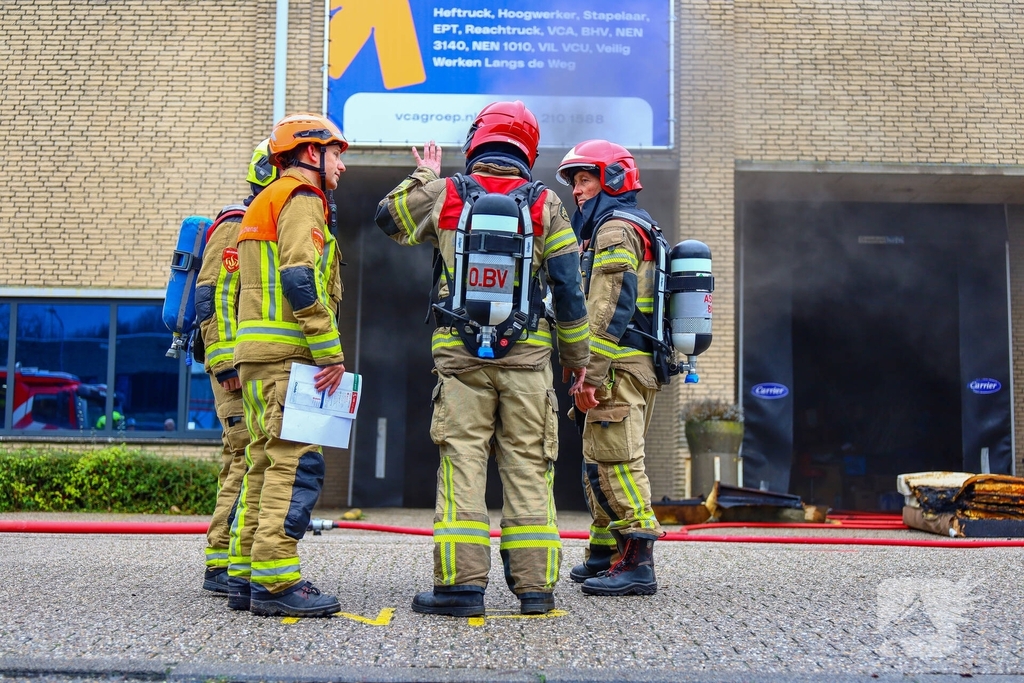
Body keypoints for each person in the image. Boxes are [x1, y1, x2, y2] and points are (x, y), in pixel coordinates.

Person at [374, 100, 590, 617]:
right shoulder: (546, 205)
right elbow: (567, 287)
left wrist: (423, 174)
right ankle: (535, 591)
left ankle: (460, 587)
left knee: (462, 464)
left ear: (477, 141)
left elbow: (387, 219)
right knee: (529, 467)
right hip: (529, 361)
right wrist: (576, 358)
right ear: (527, 148)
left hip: (459, 358)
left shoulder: (447, 193)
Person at [227, 113, 347, 618]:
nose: (342, 165)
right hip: (288, 358)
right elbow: (300, 275)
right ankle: (276, 581)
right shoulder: (301, 198)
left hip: (255, 358)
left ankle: (245, 576)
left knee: (259, 463)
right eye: (337, 153)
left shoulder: (262, 201)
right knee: (291, 466)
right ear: (310, 153)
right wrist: (329, 348)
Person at [556, 139, 664, 596]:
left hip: (617, 365)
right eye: (574, 182)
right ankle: (606, 553)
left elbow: (609, 303)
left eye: (585, 179)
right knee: (598, 459)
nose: (577, 190)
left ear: (614, 179)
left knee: (618, 461)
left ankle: (638, 562)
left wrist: (589, 370)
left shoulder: (615, 229)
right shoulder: (627, 225)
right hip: (628, 364)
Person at [195, 139, 278, 596]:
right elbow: (215, 296)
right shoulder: (236, 224)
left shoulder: (262, 222)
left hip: (248, 362)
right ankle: (222, 563)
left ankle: (229, 558)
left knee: (242, 457)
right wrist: (224, 360)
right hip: (233, 366)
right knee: (246, 458)